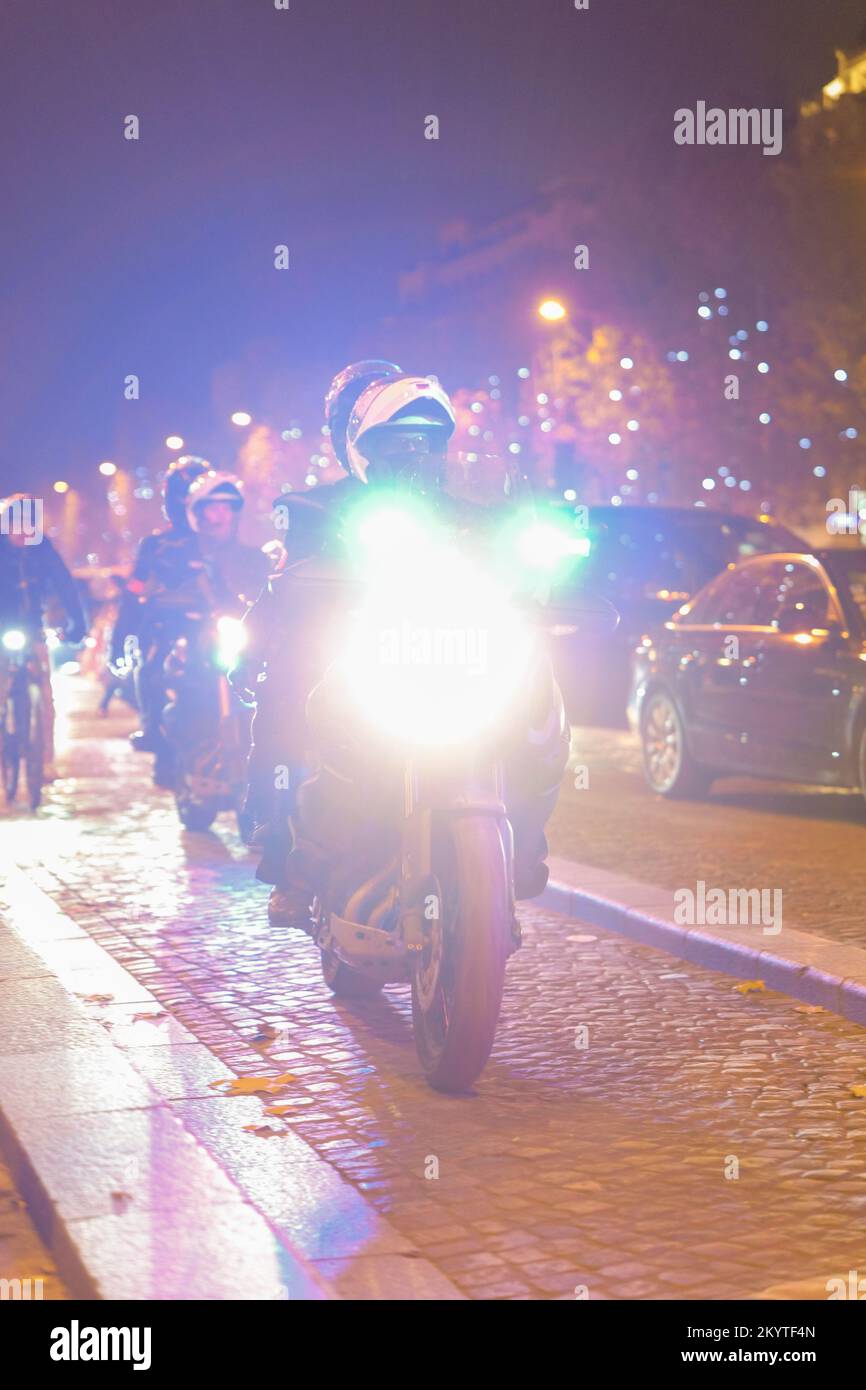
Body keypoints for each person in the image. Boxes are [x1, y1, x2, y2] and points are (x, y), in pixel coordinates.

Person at [232, 363, 570, 928]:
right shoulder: (319, 508)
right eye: (396, 441)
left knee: (538, 703)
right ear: (360, 443)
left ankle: (526, 841)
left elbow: (520, 561)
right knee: (292, 682)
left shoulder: (472, 509)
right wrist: (266, 628)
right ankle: (289, 851)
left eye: (427, 439)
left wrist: (543, 566)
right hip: (361, 649)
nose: (414, 451)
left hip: (461, 652)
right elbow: (286, 582)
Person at [114, 464, 269, 785]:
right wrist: (127, 633)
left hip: (234, 637)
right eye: (212, 508)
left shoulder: (250, 555)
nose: (218, 517)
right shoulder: (165, 549)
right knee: (159, 667)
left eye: (226, 508)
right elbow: (140, 594)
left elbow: (268, 593)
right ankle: (162, 737)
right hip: (183, 634)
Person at [0, 494, 86, 777]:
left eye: (28, 526)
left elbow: (64, 583)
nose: (23, 532)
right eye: (16, 526)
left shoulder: (42, 548)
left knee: (44, 690)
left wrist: (77, 620)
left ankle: (45, 758)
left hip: (32, 625)